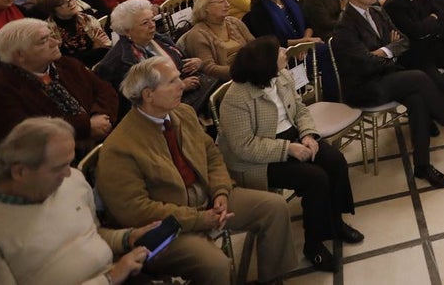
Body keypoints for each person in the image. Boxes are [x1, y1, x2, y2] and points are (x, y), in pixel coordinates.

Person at [97, 58, 299, 284]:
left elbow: (211, 154)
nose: (181, 85)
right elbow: (136, 211)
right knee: (216, 265)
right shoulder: (120, 147)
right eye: (172, 81)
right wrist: (199, 219)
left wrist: (221, 191)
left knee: (274, 207)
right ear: (148, 95)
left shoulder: (183, 113)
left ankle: (272, 280)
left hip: (207, 198)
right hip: (167, 227)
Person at [331, 0, 444, 189]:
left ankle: (422, 166)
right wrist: (389, 50)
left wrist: (383, 51)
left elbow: (403, 41)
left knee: (418, 100)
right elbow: (365, 63)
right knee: (418, 78)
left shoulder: (377, 12)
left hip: (385, 75)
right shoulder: (344, 26)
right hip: (364, 86)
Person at [0, 118, 152, 285]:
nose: (68, 173)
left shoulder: (73, 182)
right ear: (20, 171)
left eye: (69, 162)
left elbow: (91, 233)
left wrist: (128, 237)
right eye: (58, 168)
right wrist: (109, 278)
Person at [217, 36, 362, 272]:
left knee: (335, 160)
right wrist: (288, 149)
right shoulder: (236, 98)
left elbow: (300, 109)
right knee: (315, 178)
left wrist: (307, 135)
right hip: (258, 158)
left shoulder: (282, 76)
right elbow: (244, 146)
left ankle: (335, 222)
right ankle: (313, 246)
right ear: (265, 64)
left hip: (292, 137)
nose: (286, 52)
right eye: (279, 51)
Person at [0, 19, 118, 156]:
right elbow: (27, 136)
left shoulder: (66, 64)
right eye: (43, 40)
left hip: (104, 136)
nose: (56, 42)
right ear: (20, 55)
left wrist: (101, 116)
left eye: (51, 36)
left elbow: (105, 89)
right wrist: (86, 127)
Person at [95, 0, 216, 115]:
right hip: (164, 110)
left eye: (152, 20)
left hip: (191, 90)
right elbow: (136, 102)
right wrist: (181, 86)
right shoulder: (120, 62)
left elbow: (178, 63)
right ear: (127, 31)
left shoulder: (158, 38)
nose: (152, 25)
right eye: (145, 23)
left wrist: (197, 62)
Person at [179, 0, 255, 82]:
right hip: (228, 81)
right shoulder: (197, 35)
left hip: (250, 72)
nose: (227, 5)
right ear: (205, 7)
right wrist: (242, 71)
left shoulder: (234, 21)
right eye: (221, 2)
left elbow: (254, 44)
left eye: (228, 1)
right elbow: (209, 69)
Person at [240, 0, 322, 48]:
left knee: (326, 49)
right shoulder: (259, 11)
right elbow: (272, 41)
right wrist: (302, 43)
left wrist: (305, 41)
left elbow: (308, 24)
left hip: (303, 42)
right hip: (282, 50)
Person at [35, 0, 111, 68]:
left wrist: (94, 51)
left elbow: (105, 46)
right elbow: (63, 64)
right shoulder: (48, 31)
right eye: (64, 3)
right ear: (52, 9)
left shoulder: (87, 19)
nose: (71, 4)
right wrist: (94, 49)